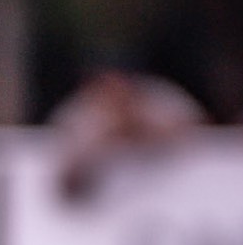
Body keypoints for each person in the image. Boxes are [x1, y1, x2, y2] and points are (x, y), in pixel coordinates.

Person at [50, 62, 206, 202]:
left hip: (169, 188)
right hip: (112, 201)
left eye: (118, 83)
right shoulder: (82, 107)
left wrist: (138, 127)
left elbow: (198, 126)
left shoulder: (157, 95)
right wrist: (106, 138)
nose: (114, 91)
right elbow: (65, 146)